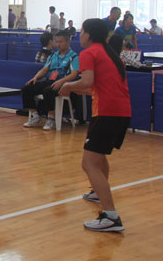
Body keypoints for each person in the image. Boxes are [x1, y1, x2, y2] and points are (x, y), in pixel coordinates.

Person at [59, 18, 130, 232]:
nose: (79, 36)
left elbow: (87, 81)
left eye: (81, 32)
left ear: (88, 35)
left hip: (107, 113)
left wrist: (67, 85)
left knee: (88, 164)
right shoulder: (111, 54)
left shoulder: (89, 53)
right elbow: (94, 87)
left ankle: (111, 217)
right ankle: (99, 194)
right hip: (121, 112)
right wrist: (74, 88)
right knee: (99, 158)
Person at [22, 31, 79, 130]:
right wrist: (35, 77)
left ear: (68, 42)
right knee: (27, 88)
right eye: (56, 42)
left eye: (60, 42)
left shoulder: (73, 57)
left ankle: (51, 118)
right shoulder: (53, 55)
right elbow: (45, 69)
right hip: (50, 80)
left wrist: (61, 81)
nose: (58, 44)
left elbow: (74, 74)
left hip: (64, 83)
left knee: (48, 91)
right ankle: (35, 116)